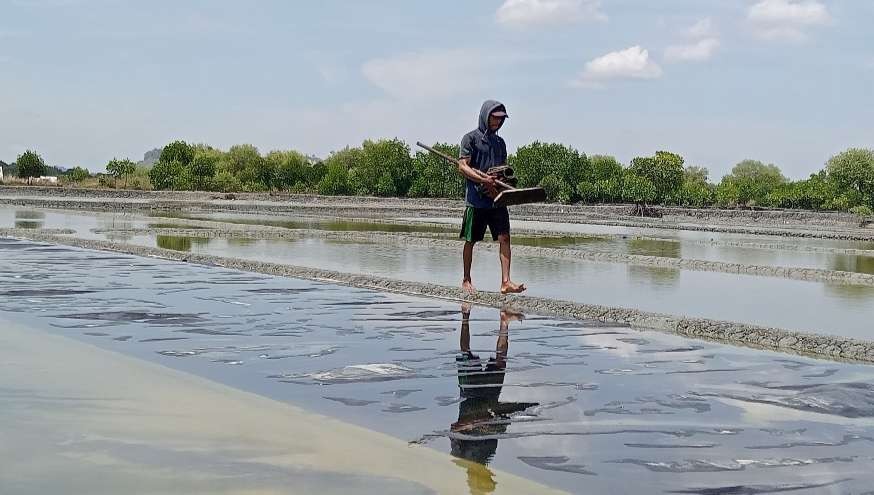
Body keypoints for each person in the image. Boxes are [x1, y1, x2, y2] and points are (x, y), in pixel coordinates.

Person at [450, 303, 537, 492]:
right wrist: (501, 422)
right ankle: (504, 322)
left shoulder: (460, 459)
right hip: (491, 397)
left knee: (465, 352)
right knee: (501, 359)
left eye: (488, 479)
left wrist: (473, 424)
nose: (491, 474)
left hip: (470, 394)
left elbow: (454, 429)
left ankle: (465, 315)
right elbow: (495, 426)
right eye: (491, 479)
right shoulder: (489, 454)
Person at [458, 100, 526, 295]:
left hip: (496, 199)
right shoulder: (470, 139)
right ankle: (466, 279)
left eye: (500, 119)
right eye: (494, 118)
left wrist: (497, 183)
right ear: (486, 117)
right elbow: (463, 166)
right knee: (471, 240)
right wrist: (482, 179)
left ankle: (506, 281)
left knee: (504, 237)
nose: (497, 122)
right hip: (476, 200)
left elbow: (503, 169)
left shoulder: (500, 143)